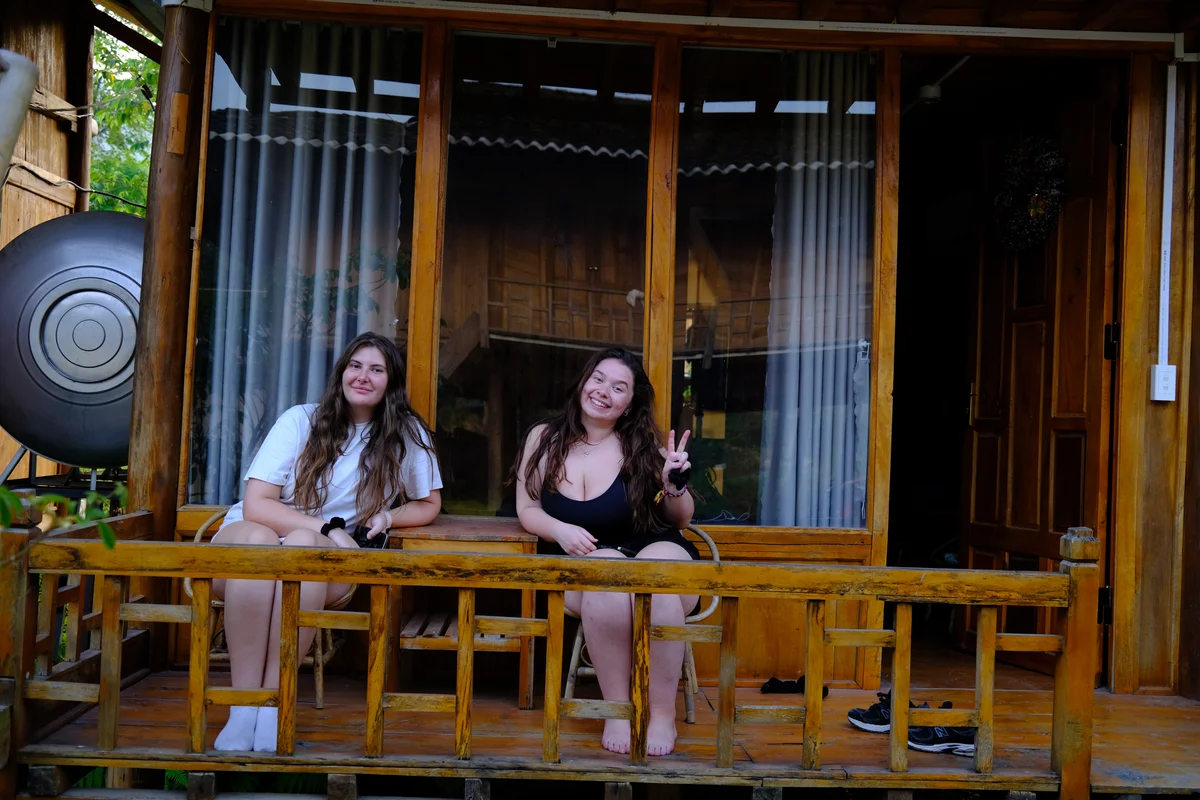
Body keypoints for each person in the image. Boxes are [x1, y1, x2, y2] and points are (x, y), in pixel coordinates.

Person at [208, 332, 442, 753]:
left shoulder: (405, 434)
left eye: (377, 369)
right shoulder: (301, 419)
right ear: (342, 372)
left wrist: (389, 514)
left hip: (317, 555)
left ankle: (275, 703)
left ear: (392, 381)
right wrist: (329, 528)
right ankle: (243, 707)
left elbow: (428, 503)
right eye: (356, 365)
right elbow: (257, 503)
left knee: (300, 546)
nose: (363, 376)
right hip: (257, 531)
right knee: (263, 542)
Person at [513, 346, 696, 756]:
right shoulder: (543, 439)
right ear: (583, 381)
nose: (603, 391)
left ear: (630, 403)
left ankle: (662, 712)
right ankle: (618, 708)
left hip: (654, 549)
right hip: (589, 560)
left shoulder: (642, 444)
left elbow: (680, 518)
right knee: (608, 572)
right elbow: (527, 508)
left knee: (656, 581)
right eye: (598, 379)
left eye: (619, 387)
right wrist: (559, 530)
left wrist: (675, 484)